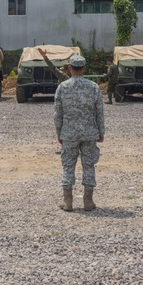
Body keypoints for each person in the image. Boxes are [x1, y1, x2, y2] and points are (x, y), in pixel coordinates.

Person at [54, 54, 105, 212]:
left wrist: (59, 133)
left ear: (69, 68)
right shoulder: (93, 87)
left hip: (69, 133)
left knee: (68, 166)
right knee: (88, 165)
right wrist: (101, 132)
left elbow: (57, 114)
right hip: (90, 132)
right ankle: (88, 201)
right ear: (84, 68)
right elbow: (100, 112)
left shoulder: (63, 87)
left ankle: (67, 201)